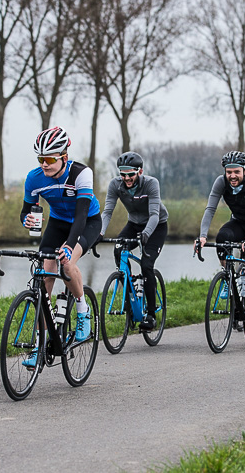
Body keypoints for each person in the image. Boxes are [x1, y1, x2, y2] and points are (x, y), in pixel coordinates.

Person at [21, 126, 101, 367]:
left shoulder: (81, 173)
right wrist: (26, 219)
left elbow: (81, 215)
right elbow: (27, 210)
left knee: (67, 265)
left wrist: (68, 246)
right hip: (57, 222)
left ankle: (82, 310)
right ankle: (39, 344)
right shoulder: (34, 178)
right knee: (44, 278)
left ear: (64, 157)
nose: (44, 164)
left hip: (86, 222)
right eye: (40, 159)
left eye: (49, 159)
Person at [197, 151, 245, 340]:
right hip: (238, 221)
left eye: (236, 172)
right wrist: (203, 236)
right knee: (222, 237)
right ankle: (229, 275)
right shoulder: (221, 182)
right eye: (229, 172)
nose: (232, 176)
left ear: (244, 170)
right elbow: (210, 208)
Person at [100, 151, 169, 330]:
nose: (127, 178)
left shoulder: (151, 184)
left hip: (156, 226)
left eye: (130, 174)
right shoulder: (115, 185)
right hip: (133, 224)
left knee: (146, 265)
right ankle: (130, 299)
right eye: (123, 175)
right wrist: (98, 233)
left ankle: (152, 315)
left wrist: (146, 233)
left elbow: (154, 214)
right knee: (118, 250)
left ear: (140, 171)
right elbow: (107, 212)